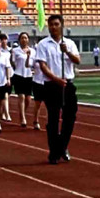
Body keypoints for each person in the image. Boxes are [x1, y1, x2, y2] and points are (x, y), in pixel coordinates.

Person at [36, 14, 81, 165]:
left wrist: (67, 51)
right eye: (51, 25)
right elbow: (43, 66)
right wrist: (56, 79)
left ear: (62, 25)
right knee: (53, 119)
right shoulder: (43, 44)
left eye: (56, 24)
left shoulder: (69, 43)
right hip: (52, 85)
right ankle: (54, 152)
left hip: (68, 85)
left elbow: (77, 60)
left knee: (70, 118)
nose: (53, 27)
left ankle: (62, 146)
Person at [12, 32, 34, 128]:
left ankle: (23, 112)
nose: (24, 40)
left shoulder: (32, 51)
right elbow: (13, 62)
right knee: (21, 97)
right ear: (19, 40)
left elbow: (32, 64)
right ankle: (23, 118)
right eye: (22, 38)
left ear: (28, 39)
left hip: (28, 75)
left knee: (28, 99)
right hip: (18, 75)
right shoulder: (15, 51)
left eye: (25, 38)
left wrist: (28, 57)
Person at [0, 36, 13, 132]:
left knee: (1, 103)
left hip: (3, 82)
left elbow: (7, 67)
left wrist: (8, 79)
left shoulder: (4, 55)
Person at [26, 40, 45, 130]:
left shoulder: (49, 56)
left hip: (47, 82)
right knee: (38, 103)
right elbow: (28, 65)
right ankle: (36, 121)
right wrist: (28, 57)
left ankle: (50, 122)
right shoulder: (35, 56)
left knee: (50, 104)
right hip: (37, 82)